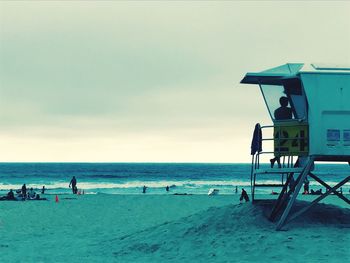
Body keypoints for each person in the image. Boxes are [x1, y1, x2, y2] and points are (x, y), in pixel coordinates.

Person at [270, 96, 293, 168]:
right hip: (286, 130)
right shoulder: (289, 110)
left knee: (278, 148)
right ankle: (275, 161)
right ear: (285, 102)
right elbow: (290, 119)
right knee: (285, 148)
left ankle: (277, 163)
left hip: (277, 130)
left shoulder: (276, 111)